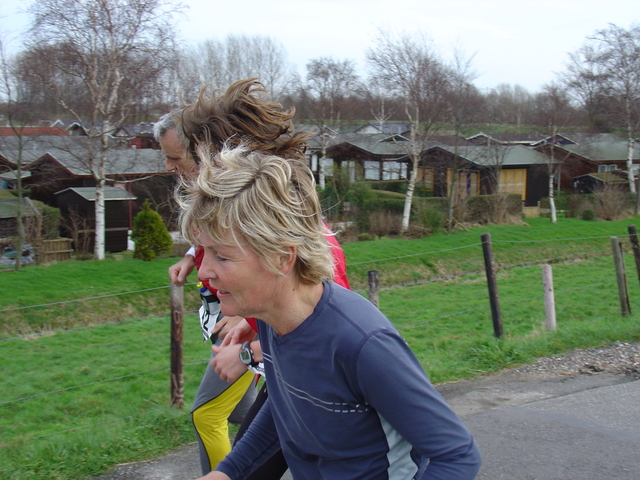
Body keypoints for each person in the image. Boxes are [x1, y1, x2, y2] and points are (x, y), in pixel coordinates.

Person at [178, 144, 482, 480]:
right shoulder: (272, 321)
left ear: (281, 257)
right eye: (203, 252)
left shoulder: (362, 344)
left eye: (221, 256)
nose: (203, 271)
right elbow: (286, 408)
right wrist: (228, 472)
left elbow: (456, 456)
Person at [154, 112, 258, 475]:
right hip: (227, 320)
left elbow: (267, 256)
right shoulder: (208, 194)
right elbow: (212, 241)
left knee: (207, 414)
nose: (167, 166)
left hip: (247, 324)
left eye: (174, 157)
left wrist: (247, 311)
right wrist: (189, 257)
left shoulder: (240, 193)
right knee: (248, 413)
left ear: (201, 152)